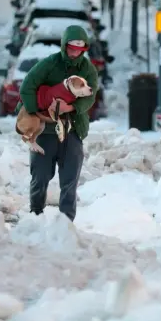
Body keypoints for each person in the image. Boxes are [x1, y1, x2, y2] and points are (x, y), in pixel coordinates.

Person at [18, 25, 98, 222]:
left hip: (73, 129)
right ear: (64, 46)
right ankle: (36, 216)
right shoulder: (49, 64)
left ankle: (66, 222)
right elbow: (27, 86)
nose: (75, 52)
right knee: (40, 176)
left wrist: (70, 109)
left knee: (70, 179)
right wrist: (34, 110)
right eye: (72, 47)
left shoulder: (87, 69)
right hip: (45, 131)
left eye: (80, 49)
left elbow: (90, 95)